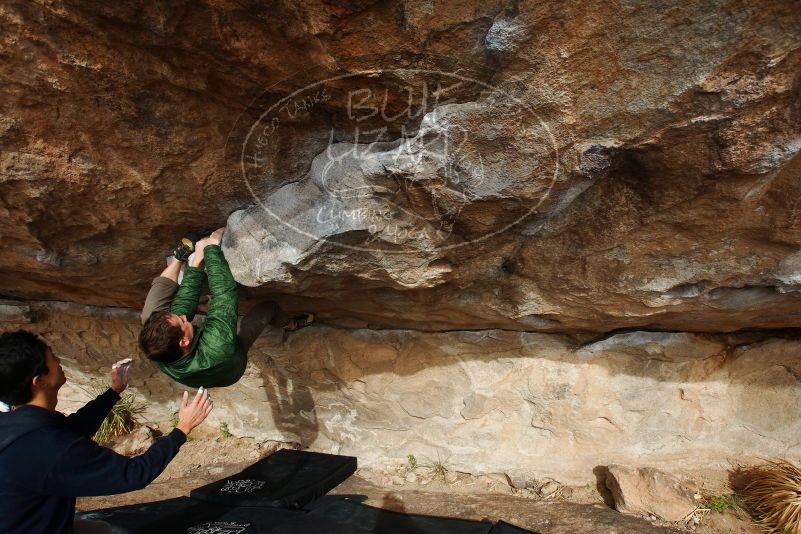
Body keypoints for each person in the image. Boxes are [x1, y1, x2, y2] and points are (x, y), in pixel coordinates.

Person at [0, 330, 213, 534]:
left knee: (99, 529)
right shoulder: (46, 448)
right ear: (40, 381)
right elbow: (134, 474)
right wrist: (182, 428)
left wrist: (114, 391)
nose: (59, 361)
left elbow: (74, 428)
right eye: (53, 358)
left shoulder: (18, 425)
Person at [138, 227, 313, 388]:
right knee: (268, 308)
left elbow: (182, 307)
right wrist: (211, 249)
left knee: (149, 317)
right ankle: (289, 325)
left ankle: (182, 263)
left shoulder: (159, 348)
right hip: (231, 365)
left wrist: (197, 263)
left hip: (200, 354)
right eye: (182, 321)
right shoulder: (216, 347)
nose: (183, 316)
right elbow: (224, 296)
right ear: (183, 342)